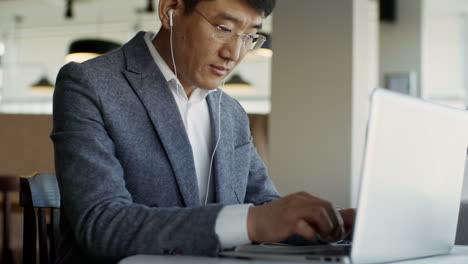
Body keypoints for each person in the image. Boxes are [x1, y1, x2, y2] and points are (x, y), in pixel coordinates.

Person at [51, 0, 356, 263]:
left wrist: (336, 223)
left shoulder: (230, 112)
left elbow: (265, 206)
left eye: (250, 36)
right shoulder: (90, 84)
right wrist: (252, 222)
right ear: (170, 9)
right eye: (223, 28)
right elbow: (101, 224)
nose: (235, 53)